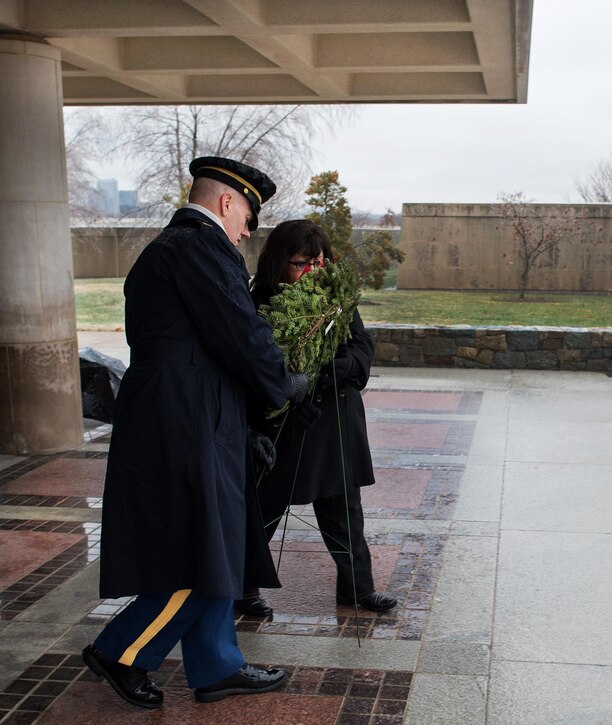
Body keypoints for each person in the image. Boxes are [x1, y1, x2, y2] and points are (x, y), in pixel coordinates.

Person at [82, 157, 311, 710]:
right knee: (198, 548)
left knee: (215, 540)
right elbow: (241, 330)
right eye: (249, 217)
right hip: (186, 418)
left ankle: (215, 666)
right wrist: (286, 380)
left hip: (187, 411)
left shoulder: (176, 248)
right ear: (226, 202)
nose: (249, 231)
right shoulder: (199, 246)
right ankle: (121, 650)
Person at [236, 219, 398, 618]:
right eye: (302, 263)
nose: (313, 271)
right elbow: (251, 368)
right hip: (284, 424)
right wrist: (289, 392)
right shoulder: (258, 303)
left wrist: (336, 368)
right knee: (264, 509)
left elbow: (362, 351)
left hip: (335, 421)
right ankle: (242, 588)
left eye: (319, 262)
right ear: (279, 262)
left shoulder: (338, 299)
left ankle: (358, 589)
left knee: (344, 510)